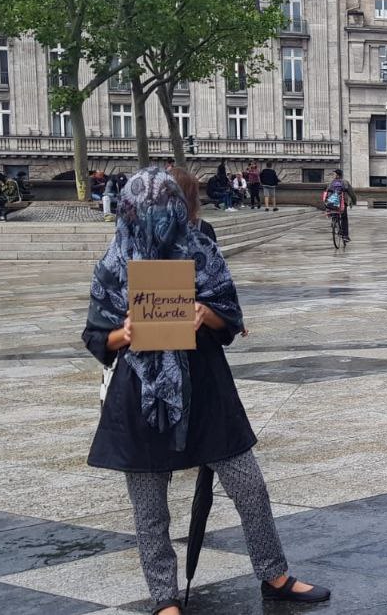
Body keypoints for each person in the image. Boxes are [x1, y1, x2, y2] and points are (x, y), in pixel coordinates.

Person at [82, 167, 329, 615]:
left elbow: (230, 317)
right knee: (150, 507)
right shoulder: (112, 264)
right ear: (131, 213)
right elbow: (96, 337)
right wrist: (126, 333)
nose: (158, 223)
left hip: (206, 387)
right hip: (141, 395)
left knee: (248, 484)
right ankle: (164, 599)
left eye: (165, 212)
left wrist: (205, 315)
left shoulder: (202, 251)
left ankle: (274, 575)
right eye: (147, 214)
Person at [325, 169, 350, 243]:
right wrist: (353, 201)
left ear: (337, 175)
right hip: (342, 203)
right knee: (344, 218)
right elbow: (351, 193)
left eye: (333, 174)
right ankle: (345, 236)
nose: (332, 176)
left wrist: (326, 201)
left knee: (334, 212)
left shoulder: (331, 183)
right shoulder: (345, 182)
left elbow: (327, 193)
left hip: (332, 203)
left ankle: (335, 222)